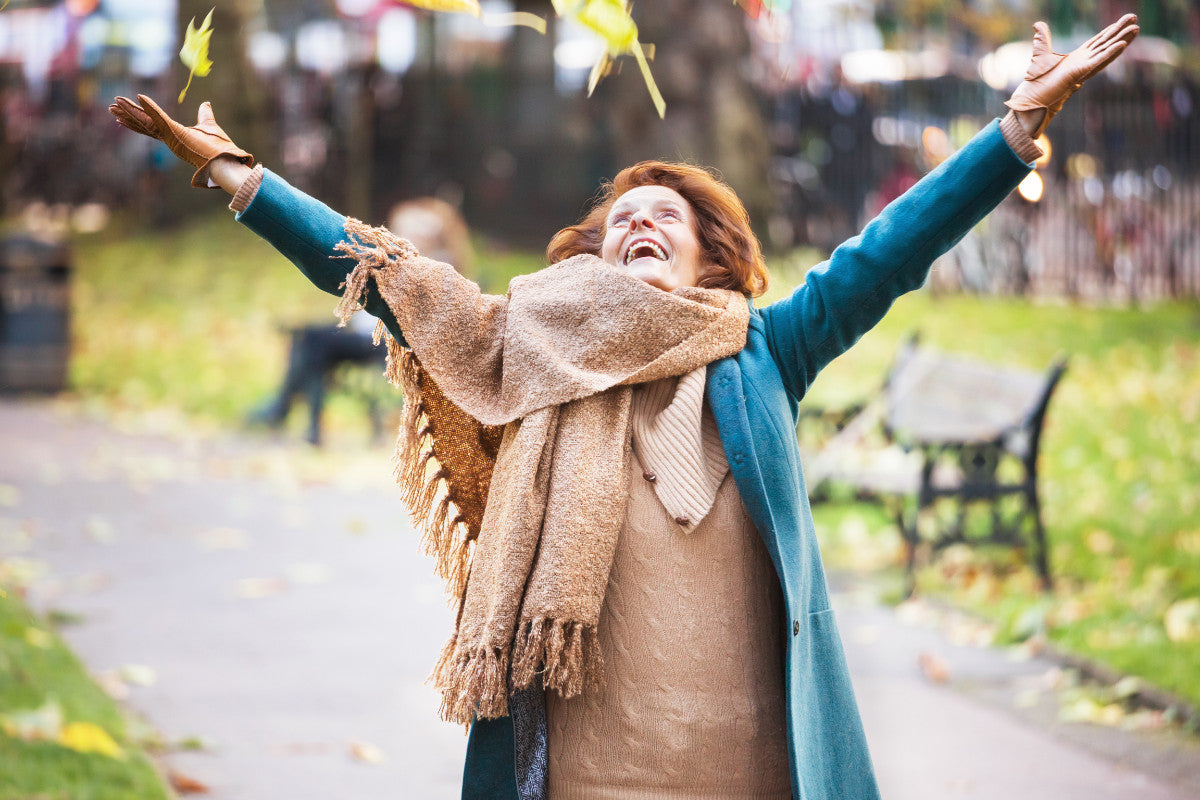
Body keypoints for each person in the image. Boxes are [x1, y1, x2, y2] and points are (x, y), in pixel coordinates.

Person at [109, 16, 1138, 800]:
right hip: (585, 770)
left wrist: (1014, 134)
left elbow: (892, 249)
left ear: (710, 256)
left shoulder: (766, 347)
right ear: (596, 257)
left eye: (667, 217)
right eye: (622, 221)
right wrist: (245, 181)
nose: (641, 223)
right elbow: (387, 274)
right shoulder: (526, 345)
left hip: (755, 765)